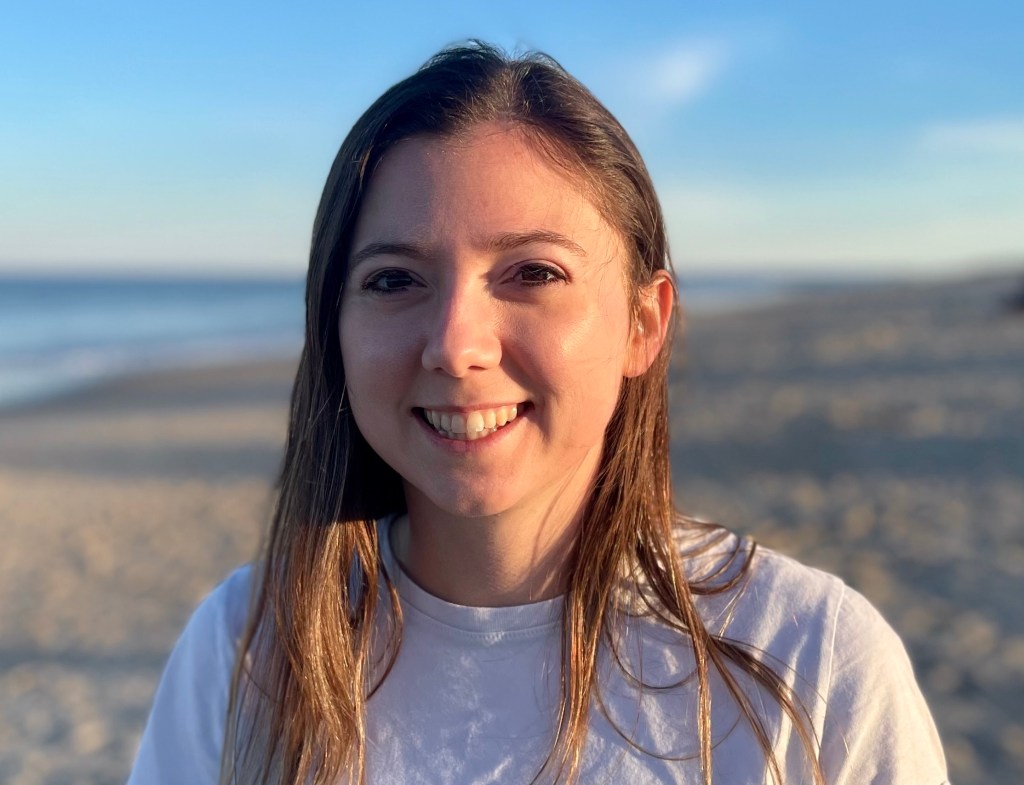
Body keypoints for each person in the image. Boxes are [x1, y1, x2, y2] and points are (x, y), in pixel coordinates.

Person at [127, 43, 948, 785]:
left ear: (644, 323)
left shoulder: (811, 661)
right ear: (333, 324)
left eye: (532, 273)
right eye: (393, 279)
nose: (456, 345)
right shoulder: (247, 647)